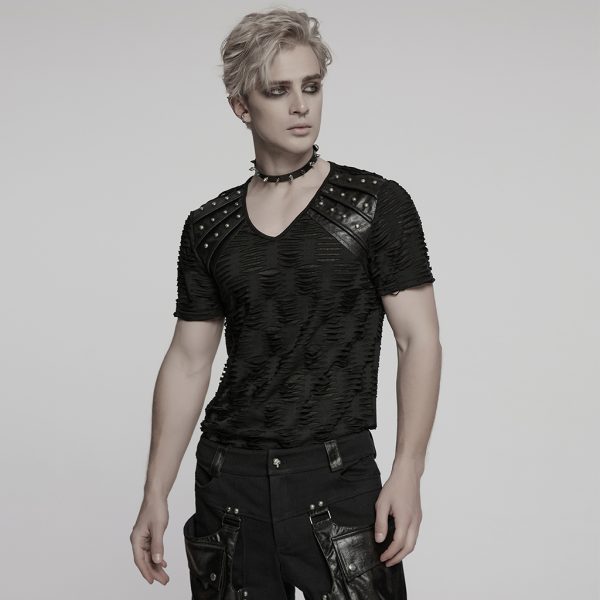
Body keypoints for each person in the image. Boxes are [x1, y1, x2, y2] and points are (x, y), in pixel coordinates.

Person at [130, 8, 441, 600]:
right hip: (230, 484)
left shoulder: (376, 205)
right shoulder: (208, 226)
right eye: (278, 91)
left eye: (312, 86)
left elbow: (418, 339)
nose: (301, 106)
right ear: (241, 106)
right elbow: (189, 361)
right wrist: (154, 491)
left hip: (337, 478)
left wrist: (408, 469)